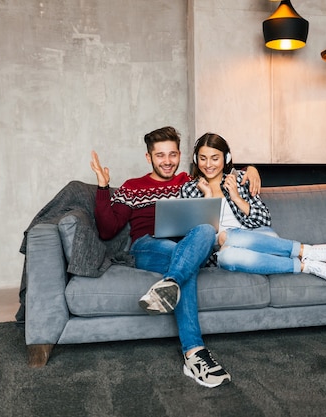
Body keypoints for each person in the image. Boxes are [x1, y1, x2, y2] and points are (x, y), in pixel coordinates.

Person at [90, 126, 262, 388]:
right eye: (160, 155)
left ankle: (170, 283)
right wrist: (103, 188)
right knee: (184, 262)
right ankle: (194, 354)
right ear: (149, 158)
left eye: (172, 154)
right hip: (148, 246)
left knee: (205, 229)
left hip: (188, 246)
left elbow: (220, 169)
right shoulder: (133, 187)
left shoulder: (189, 182)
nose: (167, 161)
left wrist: (251, 169)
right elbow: (106, 229)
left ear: (180, 155)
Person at [181, 132, 326, 284]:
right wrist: (208, 197)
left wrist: (236, 197)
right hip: (223, 250)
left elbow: (264, 219)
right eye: (203, 158)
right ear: (196, 159)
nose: (208, 164)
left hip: (261, 238)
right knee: (226, 256)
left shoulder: (240, 180)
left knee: (226, 236)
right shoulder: (189, 190)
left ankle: (304, 250)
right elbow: (195, 235)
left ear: (226, 158)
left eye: (215, 158)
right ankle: (306, 265)